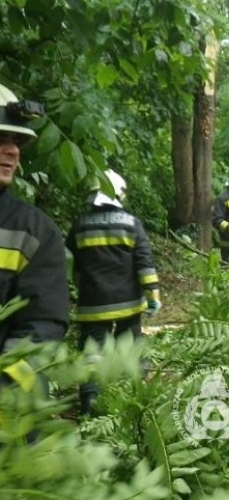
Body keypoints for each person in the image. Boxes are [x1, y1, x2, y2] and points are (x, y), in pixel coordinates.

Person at [65, 169, 162, 416]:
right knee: (131, 345)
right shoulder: (131, 224)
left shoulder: (79, 225)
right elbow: (144, 263)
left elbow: (70, 264)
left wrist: (81, 287)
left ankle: (90, 402)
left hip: (92, 304)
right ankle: (136, 395)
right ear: (119, 193)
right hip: (128, 302)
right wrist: (153, 295)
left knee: (92, 351)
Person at [0, 84, 69, 410]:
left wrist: (6, 386)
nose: (12, 151)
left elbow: (42, 326)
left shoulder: (34, 233)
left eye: (17, 142)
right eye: (1, 140)